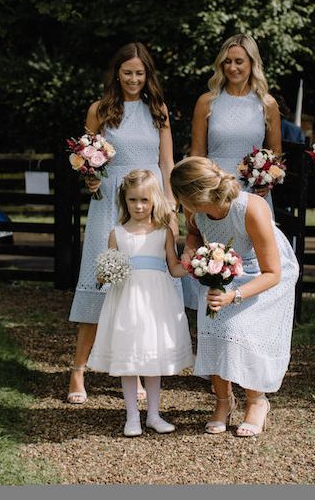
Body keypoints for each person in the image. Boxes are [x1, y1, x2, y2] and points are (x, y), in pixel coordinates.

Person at [66, 42, 179, 405]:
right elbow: (88, 159)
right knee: (103, 275)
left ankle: (139, 367)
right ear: (117, 73)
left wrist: (172, 205)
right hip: (110, 201)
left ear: (148, 76)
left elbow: (167, 162)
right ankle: (79, 370)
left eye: (139, 73)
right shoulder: (100, 110)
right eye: (127, 72)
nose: (133, 79)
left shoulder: (157, 110)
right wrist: (91, 178)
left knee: (145, 285)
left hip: (151, 198)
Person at [170, 156, 299, 437]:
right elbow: (194, 233)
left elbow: (273, 272)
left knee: (237, 327)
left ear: (193, 195)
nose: (179, 205)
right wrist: (190, 252)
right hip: (221, 268)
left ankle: (257, 401)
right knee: (211, 324)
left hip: (263, 273)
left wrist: (234, 296)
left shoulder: (251, 208)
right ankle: (223, 402)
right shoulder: (195, 212)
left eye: (180, 197)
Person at [88, 170, 193, 436]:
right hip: (127, 301)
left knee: (152, 356)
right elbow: (104, 273)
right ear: (125, 200)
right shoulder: (117, 233)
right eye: (133, 200)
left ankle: (154, 415)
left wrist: (193, 264)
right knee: (130, 356)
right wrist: (105, 272)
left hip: (156, 302)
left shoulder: (163, 233)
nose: (139, 206)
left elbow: (173, 268)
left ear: (154, 200)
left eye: (144, 200)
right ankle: (132, 416)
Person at [186, 33, 281, 309]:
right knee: (216, 257)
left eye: (239, 61)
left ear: (252, 63)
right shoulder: (207, 101)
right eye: (227, 62)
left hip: (252, 192)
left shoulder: (267, 104)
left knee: (254, 256)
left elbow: (275, 154)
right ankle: (214, 309)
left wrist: (268, 178)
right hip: (213, 190)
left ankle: (252, 310)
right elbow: (197, 152)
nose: (232, 67)